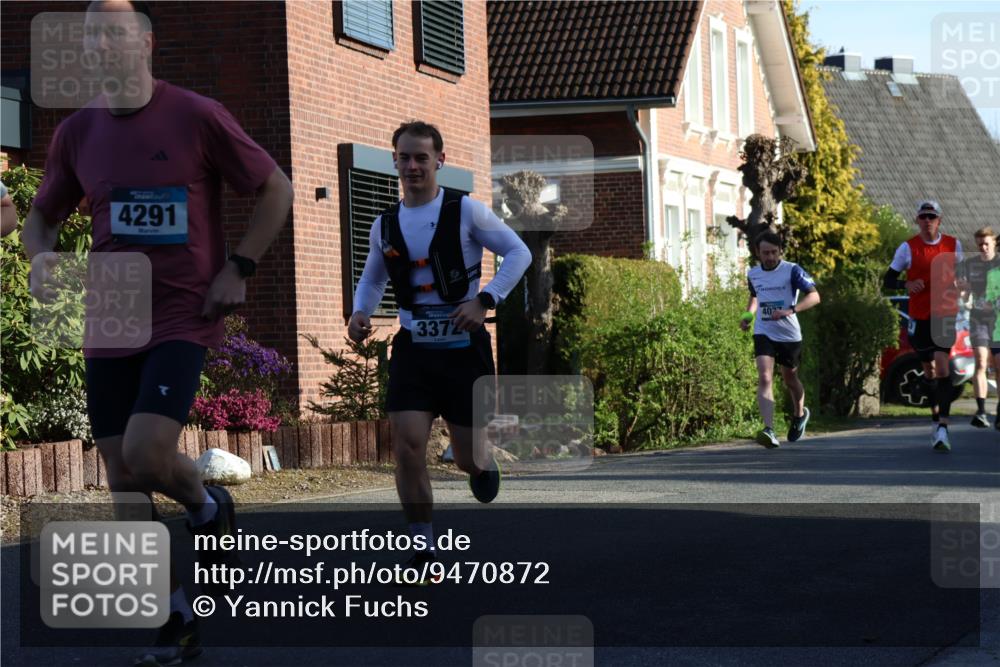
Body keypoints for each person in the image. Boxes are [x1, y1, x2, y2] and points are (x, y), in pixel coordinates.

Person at [21, 2, 293, 664]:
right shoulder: (76, 132)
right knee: (121, 475)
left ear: (145, 43)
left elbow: (276, 188)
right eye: (92, 37)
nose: (103, 46)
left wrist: (239, 266)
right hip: (111, 314)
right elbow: (41, 216)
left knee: (145, 451)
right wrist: (41, 260)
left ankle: (204, 501)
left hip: (180, 312)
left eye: (115, 34)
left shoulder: (195, 115)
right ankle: (175, 618)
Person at [348, 120, 531, 583]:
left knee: (469, 459)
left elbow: (519, 254)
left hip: (464, 349)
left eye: (421, 158)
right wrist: (360, 313)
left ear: (439, 161)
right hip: (413, 349)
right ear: (394, 161)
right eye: (404, 157)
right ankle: (423, 545)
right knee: (407, 447)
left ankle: (478, 462)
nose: (412, 166)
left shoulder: (467, 211)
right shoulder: (385, 223)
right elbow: (372, 278)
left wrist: (484, 300)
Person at [883, 200, 963, 452]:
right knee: (928, 371)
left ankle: (942, 427)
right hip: (919, 316)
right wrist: (905, 285)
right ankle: (934, 415)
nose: (928, 221)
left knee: (941, 366)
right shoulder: (908, 248)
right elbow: (889, 279)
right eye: (923, 217)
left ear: (939, 220)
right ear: (917, 220)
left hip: (945, 314)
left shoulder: (953, 245)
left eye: (932, 216)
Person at [740, 231, 820, 448]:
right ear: (758, 253)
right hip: (763, 330)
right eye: (766, 253)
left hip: (789, 334)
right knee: (765, 377)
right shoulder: (753, 274)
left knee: (790, 380)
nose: (770, 257)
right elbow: (755, 297)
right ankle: (769, 429)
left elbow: (814, 296)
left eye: (774, 252)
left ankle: (799, 414)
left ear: (780, 251)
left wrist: (790, 310)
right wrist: (747, 317)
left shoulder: (792, 270)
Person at [956, 227, 1000, 428]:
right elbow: (961, 292)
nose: (983, 247)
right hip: (978, 320)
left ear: (994, 244)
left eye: (986, 243)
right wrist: (963, 291)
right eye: (980, 244)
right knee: (981, 361)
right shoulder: (969, 265)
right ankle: (981, 411)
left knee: (998, 365)